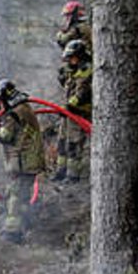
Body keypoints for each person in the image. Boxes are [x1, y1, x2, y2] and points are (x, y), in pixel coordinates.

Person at [0, 79, 45, 243]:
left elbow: (6, 135)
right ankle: (26, 224)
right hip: (28, 161)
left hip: (23, 162)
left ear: (6, 98)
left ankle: (12, 233)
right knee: (21, 195)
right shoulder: (22, 108)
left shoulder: (14, 113)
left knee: (15, 196)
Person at [55, 39, 93, 182]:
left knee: (74, 144)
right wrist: (63, 78)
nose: (70, 61)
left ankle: (73, 175)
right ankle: (60, 172)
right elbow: (69, 88)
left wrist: (68, 106)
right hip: (68, 114)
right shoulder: (75, 70)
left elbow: (81, 95)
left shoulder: (86, 71)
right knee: (62, 141)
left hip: (79, 114)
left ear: (80, 56)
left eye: (72, 58)